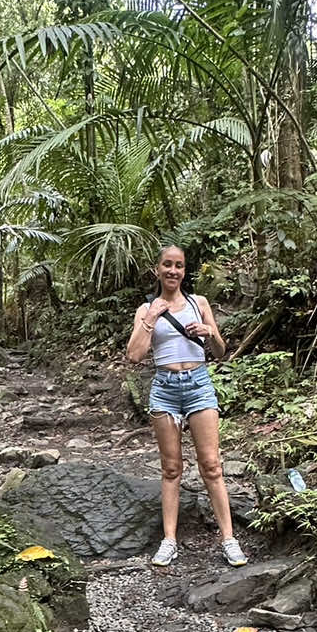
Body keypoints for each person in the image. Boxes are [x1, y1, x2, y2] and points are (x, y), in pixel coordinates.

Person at [125, 242, 249, 569]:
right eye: (167, 264)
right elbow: (134, 355)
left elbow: (221, 351)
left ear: (184, 270)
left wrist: (210, 332)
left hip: (199, 385)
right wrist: (151, 317)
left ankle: (229, 539)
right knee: (171, 468)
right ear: (157, 269)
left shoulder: (199, 302)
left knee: (211, 465)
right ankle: (169, 541)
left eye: (178, 265)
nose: (173, 271)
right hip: (165, 388)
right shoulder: (146, 309)